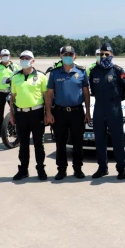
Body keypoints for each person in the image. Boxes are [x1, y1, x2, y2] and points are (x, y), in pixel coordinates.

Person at [44, 46, 91, 180]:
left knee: (77, 143)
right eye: (65, 54)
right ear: (60, 56)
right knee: (60, 142)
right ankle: (61, 169)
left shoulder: (82, 72)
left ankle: (78, 169)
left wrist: (87, 112)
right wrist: (48, 112)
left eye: (70, 54)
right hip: (60, 113)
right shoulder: (55, 73)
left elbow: (86, 93)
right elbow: (49, 94)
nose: (68, 56)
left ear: (75, 56)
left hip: (77, 112)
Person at [89, 43, 125, 179]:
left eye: (107, 54)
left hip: (114, 109)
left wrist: (117, 99)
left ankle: (121, 169)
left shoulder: (118, 71)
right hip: (99, 108)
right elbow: (93, 90)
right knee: (99, 139)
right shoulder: (94, 71)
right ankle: (102, 168)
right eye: (101, 54)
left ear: (112, 55)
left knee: (117, 140)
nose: (104, 56)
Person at [9, 51, 49, 181]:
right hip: (20, 114)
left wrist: (48, 113)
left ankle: (41, 169)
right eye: (22, 58)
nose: (24, 60)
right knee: (23, 144)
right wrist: (12, 114)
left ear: (33, 61)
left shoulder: (41, 76)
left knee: (38, 144)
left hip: (36, 114)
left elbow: (47, 96)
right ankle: (23, 170)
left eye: (27, 58)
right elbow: (12, 98)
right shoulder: (15, 77)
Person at [0, 49, 18, 137]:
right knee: (0, 112)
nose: (5, 57)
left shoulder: (16, 66)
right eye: (3, 55)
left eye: (7, 55)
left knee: (13, 111)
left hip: (11, 93)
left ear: (10, 56)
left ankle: (12, 131)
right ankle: (0, 131)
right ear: (0, 56)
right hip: (0, 92)